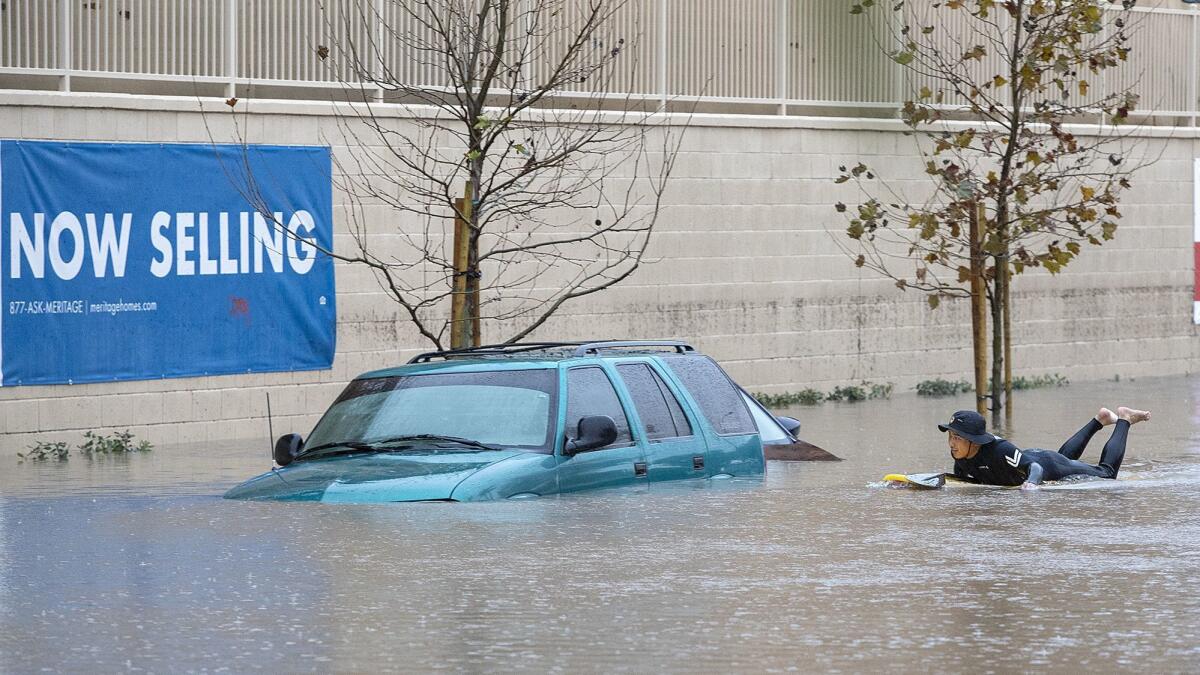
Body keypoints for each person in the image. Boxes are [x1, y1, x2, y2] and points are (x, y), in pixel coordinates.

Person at [938, 407, 1151, 490]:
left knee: (1106, 474)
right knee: (1065, 458)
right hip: (1043, 459)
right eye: (950, 435)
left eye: (957, 437)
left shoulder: (999, 449)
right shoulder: (961, 455)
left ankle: (1123, 418)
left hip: (1046, 464)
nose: (952, 443)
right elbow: (965, 481)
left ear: (974, 440)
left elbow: (1035, 468)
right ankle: (1100, 419)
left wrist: (1031, 485)